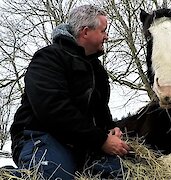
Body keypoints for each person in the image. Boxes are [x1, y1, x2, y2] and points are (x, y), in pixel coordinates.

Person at [9, 5, 130, 179]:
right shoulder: (49, 58)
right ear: (86, 32)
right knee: (57, 175)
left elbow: (101, 110)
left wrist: (111, 130)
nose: (107, 36)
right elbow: (52, 109)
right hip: (41, 135)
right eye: (104, 30)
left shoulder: (97, 70)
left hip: (82, 141)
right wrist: (101, 140)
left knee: (121, 172)